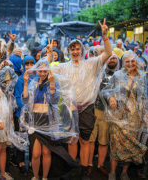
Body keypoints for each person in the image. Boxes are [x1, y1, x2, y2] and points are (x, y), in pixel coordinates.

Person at [47, 19, 112, 179]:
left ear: (82, 50)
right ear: (69, 51)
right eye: (72, 49)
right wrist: (49, 54)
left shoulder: (90, 64)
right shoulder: (64, 66)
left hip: (86, 109)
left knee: (84, 140)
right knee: (71, 140)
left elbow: (108, 54)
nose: (75, 51)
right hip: (70, 109)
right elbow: (47, 68)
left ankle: (83, 170)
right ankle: (72, 168)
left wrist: (105, 37)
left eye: (78, 49)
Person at [102, 51, 148, 180]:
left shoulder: (142, 76)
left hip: (135, 118)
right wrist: (110, 98)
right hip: (118, 116)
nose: (130, 64)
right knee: (116, 144)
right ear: (123, 63)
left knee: (131, 146)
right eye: (127, 61)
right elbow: (106, 91)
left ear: (136, 62)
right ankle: (113, 171)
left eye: (133, 61)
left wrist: (147, 116)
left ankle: (124, 172)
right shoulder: (117, 75)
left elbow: (146, 98)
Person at [21, 59, 79, 180]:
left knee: (47, 152)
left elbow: (54, 100)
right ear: (37, 71)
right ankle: (36, 177)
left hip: (48, 121)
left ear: (48, 71)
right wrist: (26, 83)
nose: (42, 73)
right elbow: (25, 100)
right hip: (35, 122)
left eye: (45, 71)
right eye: (40, 71)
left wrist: (52, 83)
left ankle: (45, 177)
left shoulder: (54, 83)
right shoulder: (33, 83)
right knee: (36, 154)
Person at [88, 53, 119, 176]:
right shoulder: (98, 72)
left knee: (103, 141)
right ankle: (89, 164)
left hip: (110, 114)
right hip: (95, 110)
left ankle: (100, 165)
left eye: (114, 58)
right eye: (110, 57)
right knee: (91, 139)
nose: (112, 59)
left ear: (118, 61)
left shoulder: (120, 75)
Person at [13, 55, 36, 174]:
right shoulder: (20, 79)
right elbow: (17, 97)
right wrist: (25, 109)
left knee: (33, 140)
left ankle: (33, 162)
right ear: (23, 65)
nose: (29, 66)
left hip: (34, 116)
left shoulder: (38, 78)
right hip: (21, 115)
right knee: (21, 139)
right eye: (27, 64)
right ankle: (20, 162)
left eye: (32, 63)